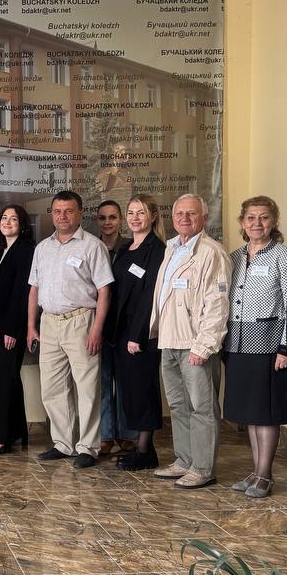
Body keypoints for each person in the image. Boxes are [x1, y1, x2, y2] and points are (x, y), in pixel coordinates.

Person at [26, 190, 113, 468]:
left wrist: (96, 329)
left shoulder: (93, 246)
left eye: (68, 211)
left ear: (80, 213)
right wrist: (31, 326)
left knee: (87, 388)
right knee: (52, 388)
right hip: (49, 323)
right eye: (57, 211)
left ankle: (88, 446)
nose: (62, 216)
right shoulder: (42, 248)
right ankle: (63, 443)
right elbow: (34, 290)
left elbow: (104, 291)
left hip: (81, 321)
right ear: (51, 214)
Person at [150, 193, 232, 490]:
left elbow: (218, 305)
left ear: (204, 218)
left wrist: (204, 346)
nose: (184, 218)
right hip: (170, 340)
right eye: (179, 213)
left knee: (202, 408)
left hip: (195, 344)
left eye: (191, 213)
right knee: (178, 405)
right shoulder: (172, 247)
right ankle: (184, 460)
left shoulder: (212, 252)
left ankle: (202, 468)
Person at [224, 196, 287, 499]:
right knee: (251, 413)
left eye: (264, 217)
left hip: (270, 346)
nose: (257, 223)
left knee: (267, 413)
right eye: (251, 218)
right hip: (238, 344)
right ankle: (256, 470)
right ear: (242, 223)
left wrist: (286, 346)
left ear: (274, 221)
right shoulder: (234, 257)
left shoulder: (284, 256)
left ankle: (265, 475)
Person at [111, 195, 168, 471]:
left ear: (153, 216)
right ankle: (144, 448)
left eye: (141, 212)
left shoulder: (157, 250)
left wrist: (137, 335)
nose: (135, 218)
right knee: (131, 391)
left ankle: (145, 451)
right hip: (121, 332)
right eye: (131, 212)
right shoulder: (125, 248)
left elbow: (150, 296)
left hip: (141, 334)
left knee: (144, 390)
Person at [0, 205, 35, 456]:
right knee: (9, 378)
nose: (7, 222)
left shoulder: (25, 250)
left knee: (3, 379)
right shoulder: (2, 250)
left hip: (10, 328)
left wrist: (12, 329)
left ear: (23, 225)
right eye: (4, 217)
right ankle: (16, 430)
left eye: (13, 219)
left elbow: (22, 292)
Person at [96, 199, 138, 457]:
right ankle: (105, 435)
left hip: (125, 325)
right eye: (102, 217)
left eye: (112, 217)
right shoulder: (91, 246)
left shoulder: (131, 247)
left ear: (120, 220)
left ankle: (126, 434)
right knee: (101, 381)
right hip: (99, 324)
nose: (107, 222)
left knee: (124, 381)